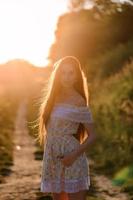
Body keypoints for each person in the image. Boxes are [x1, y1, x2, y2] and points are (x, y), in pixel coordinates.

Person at [37, 56, 96, 200]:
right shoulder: (52, 98)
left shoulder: (79, 101)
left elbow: (93, 135)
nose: (67, 77)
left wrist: (72, 156)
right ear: (58, 75)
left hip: (72, 159)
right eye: (63, 73)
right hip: (53, 160)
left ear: (77, 76)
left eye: (71, 73)